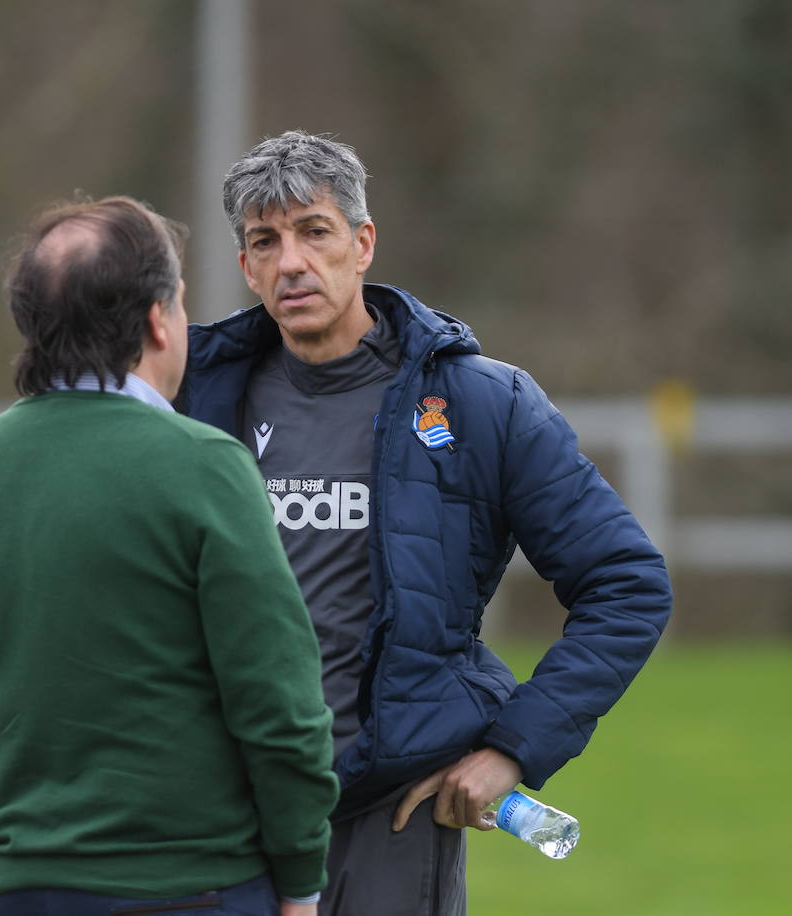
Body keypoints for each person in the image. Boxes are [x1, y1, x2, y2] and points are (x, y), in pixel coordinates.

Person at [180, 130, 673, 914]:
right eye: (265, 242)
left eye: (314, 231)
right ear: (246, 266)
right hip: (219, 813)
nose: (291, 262)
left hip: (390, 811)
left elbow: (627, 583)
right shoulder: (192, 399)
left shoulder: (480, 403)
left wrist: (514, 748)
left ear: (362, 243)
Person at [0, 196, 338, 916]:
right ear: (159, 319)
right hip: (192, 890)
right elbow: (278, 705)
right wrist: (301, 875)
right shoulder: (204, 467)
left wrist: (27, 856)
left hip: (22, 891)